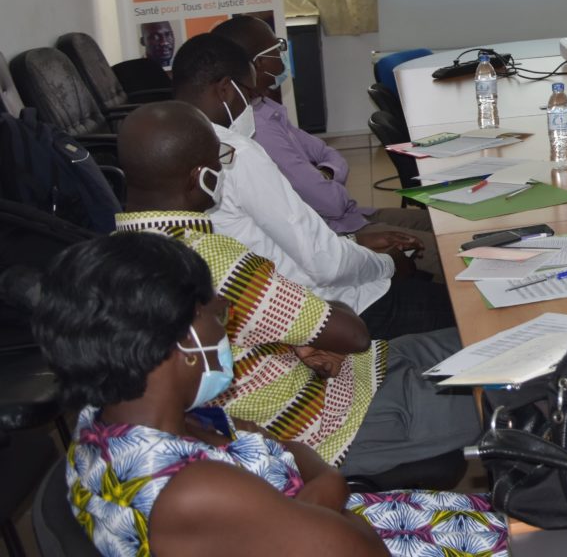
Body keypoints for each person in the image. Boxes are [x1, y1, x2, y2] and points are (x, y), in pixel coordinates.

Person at [23, 232, 507, 557]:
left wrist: (316, 497)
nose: (225, 324)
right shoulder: (194, 489)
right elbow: (359, 547)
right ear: (182, 344)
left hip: (352, 518)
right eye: (215, 316)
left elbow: (292, 454)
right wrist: (326, 488)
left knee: (521, 512)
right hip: (375, 537)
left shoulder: (114, 416)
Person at [113, 101, 479, 478]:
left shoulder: (113, 256)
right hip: (335, 426)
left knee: (487, 343)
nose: (223, 167)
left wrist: (296, 335)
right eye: (219, 159)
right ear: (199, 177)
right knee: (512, 379)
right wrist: (312, 327)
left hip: (342, 373)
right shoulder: (210, 256)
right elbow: (351, 333)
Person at [171, 33, 455, 339]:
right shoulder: (238, 153)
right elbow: (326, 265)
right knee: (464, 309)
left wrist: (352, 241)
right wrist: (389, 264)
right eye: (249, 93)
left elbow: (274, 238)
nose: (253, 105)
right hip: (333, 310)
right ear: (225, 90)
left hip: (281, 306)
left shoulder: (168, 144)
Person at [211, 16, 437, 258]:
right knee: (448, 247)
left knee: (443, 221)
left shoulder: (265, 108)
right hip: (339, 235)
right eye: (277, 48)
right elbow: (332, 204)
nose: (282, 53)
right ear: (259, 63)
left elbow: (327, 153)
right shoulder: (259, 129)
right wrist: (326, 181)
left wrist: (326, 174)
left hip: (353, 216)